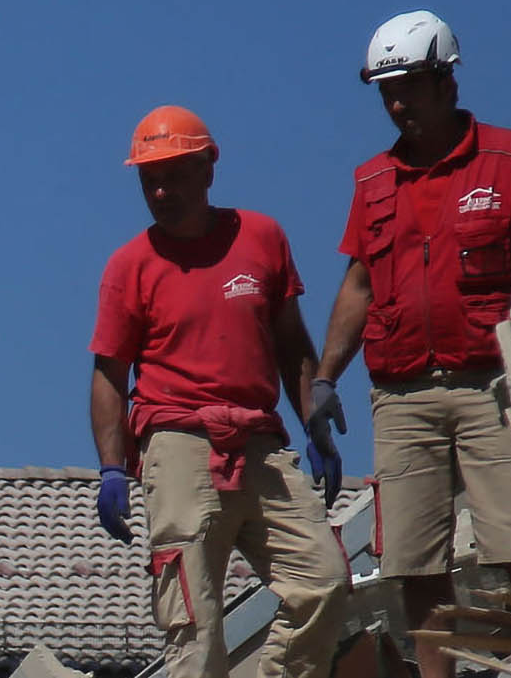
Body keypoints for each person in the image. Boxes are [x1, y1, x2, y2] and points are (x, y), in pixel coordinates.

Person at [308, 10, 511, 678]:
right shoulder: (372, 181)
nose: (397, 104)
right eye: (387, 92)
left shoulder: (508, 155)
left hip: (493, 385)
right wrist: (325, 378)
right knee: (413, 560)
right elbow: (359, 283)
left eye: (410, 87)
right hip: (401, 396)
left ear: (447, 81)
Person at [91, 106, 349, 678]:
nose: (160, 190)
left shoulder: (261, 238)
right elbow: (109, 375)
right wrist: (112, 469)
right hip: (179, 446)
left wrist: (315, 424)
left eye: (173, 175)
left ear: (209, 167)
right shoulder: (129, 266)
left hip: (258, 443)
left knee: (325, 583)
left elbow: (291, 343)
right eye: (148, 180)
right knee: (194, 624)